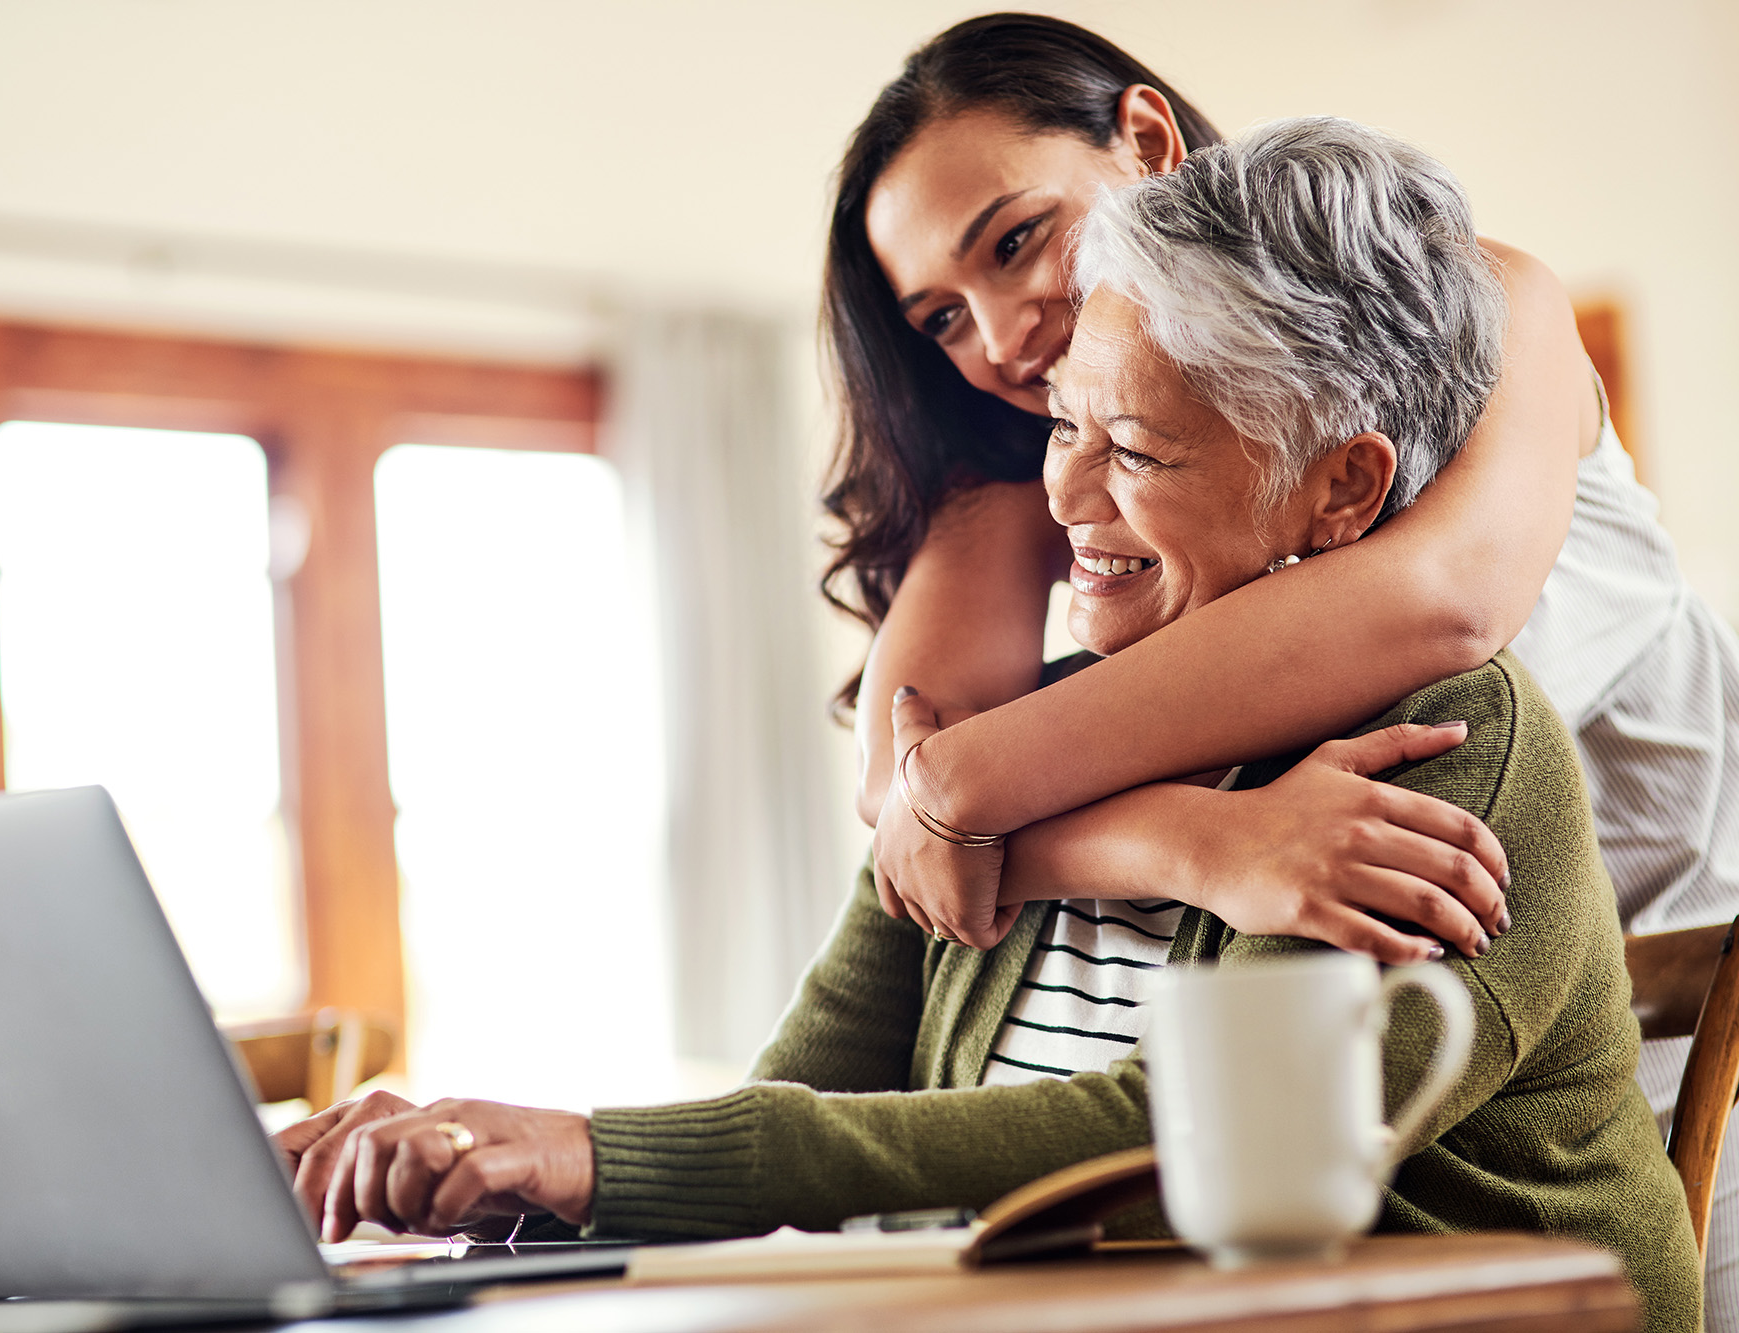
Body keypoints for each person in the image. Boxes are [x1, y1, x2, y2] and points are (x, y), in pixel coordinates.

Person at [272, 119, 1700, 1333]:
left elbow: (1171, 1151)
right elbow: (810, 1086)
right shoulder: (1053, 725)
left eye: (1132, 449)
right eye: (1059, 428)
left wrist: (596, 1155)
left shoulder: (1443, 743)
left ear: (1336, 493)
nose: (1068, 501)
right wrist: (527, 1176)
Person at [828, 15, 1739, 1320]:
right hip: (1403, 1054)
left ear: (1145, 138)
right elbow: (900, 804)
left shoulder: (1471, 314)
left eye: (1017, 239)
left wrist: (970, 789)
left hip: (1677, 1031)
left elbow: (1439, 602)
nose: (1001, 333)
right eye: (942, 317)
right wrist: (1191, 843)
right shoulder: (1063, 448)